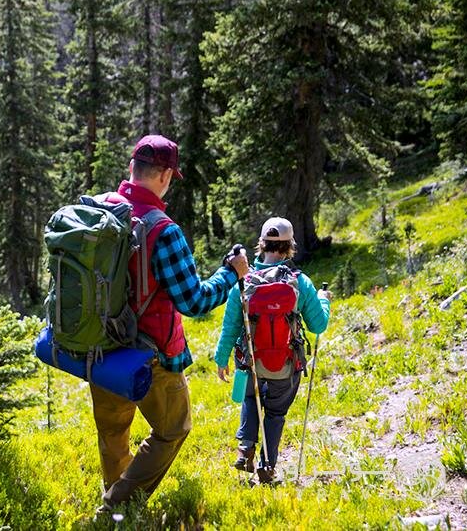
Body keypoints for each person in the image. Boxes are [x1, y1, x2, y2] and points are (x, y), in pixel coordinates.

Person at [91, 134, 250, 513]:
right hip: (150, 355)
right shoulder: (163, 229)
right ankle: (118, 506)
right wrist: (231, 273)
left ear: (133, 168)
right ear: (163, 175)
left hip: (99, 346)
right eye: (169, 176)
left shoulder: (100, 210)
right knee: (173, 429)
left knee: (113, 431)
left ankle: (116, 505)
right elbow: (193, 301)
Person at [214, 217, 331, 484]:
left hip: (251, 362)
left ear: (261, 244)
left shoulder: (244, 282)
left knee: (250, 400)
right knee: (276, 413)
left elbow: (230, 325)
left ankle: (245, 449)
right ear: (290, 246)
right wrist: (324, 301)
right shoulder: (299, 282)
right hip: (285, 365)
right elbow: (319, 324)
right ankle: (268, 466)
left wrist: (221, 359)